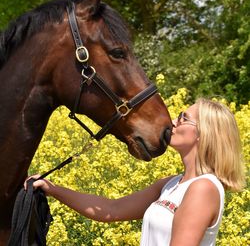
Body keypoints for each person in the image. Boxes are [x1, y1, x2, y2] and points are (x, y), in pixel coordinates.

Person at [25, 98, 245, 246]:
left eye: (183, 117)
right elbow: (111, 210)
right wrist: (51, 188)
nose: (173, 122)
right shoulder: (171, 184)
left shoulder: (204, 188)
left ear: (203, 133)